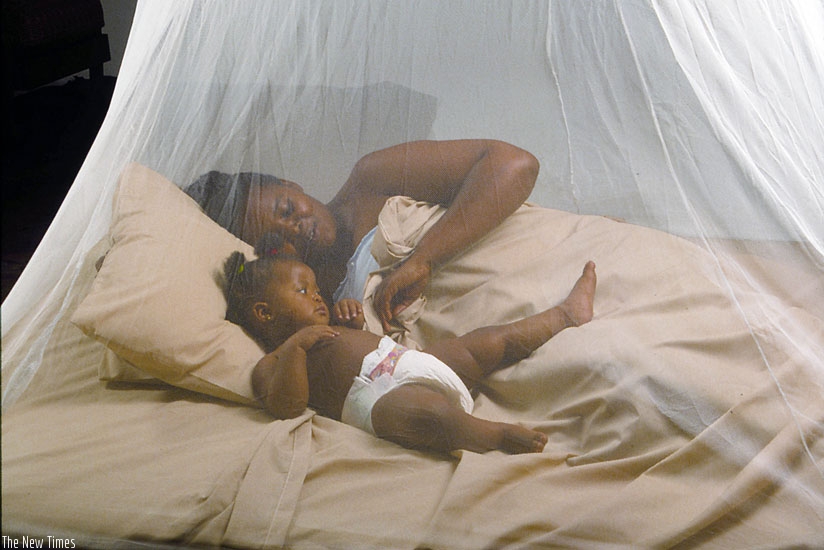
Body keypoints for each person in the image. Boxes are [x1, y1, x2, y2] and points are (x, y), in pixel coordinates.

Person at [222, 235, 598, 455]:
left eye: (318, 288)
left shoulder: (328, 325)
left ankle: (564, 316)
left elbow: (356, 343)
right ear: (264, 313)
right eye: (304, 291)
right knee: (434, 417)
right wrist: (296, 350)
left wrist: (352, 322)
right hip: (376, 401)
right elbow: (286, 407)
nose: (319, 297)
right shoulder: (272, 361)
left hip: (404, 359)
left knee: (482, 343)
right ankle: (495, 434)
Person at [187, 139, 540, 332]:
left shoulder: (371, 180)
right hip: (508, 331)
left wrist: (423, 261)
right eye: (278, 238)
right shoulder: (315, 307)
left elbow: (514, 164)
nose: (296, 228)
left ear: (291, 185)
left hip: (537, 261)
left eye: (287, 209)